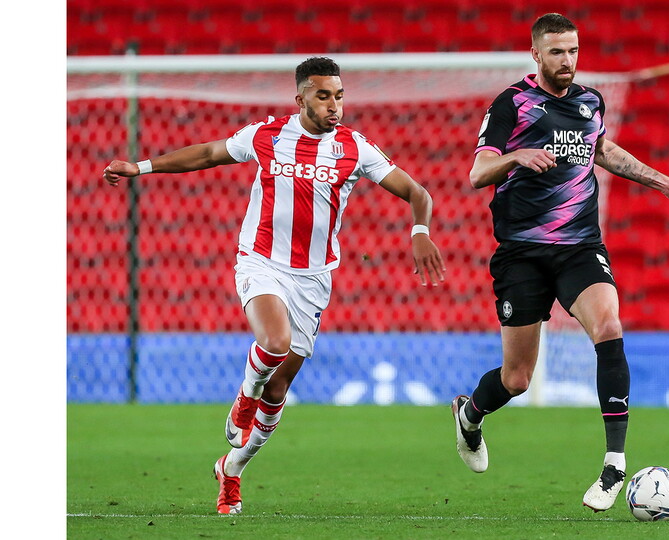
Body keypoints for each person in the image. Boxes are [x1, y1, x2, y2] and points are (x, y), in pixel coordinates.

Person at [103, 57, 446, 515]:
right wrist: (141, 167)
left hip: (314, 278)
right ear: (300, 98)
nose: (334, 106)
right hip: (261, 261)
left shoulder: (354, 147)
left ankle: (232, 469)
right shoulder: (267, 135)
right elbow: (207, 154)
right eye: (324, 96)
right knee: (275, 341)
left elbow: (417, 193)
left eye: (340, 95)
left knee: (279, 389)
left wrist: (419, 232)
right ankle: (243, 399)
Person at [451, 13, 669, 512]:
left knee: (609, 325)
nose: (567, 61)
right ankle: (470, 416)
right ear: (536, 54)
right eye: (557, 52)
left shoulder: (591, 101)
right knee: (518, 378)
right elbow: (479, 171)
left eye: (573, 51)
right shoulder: (511, 104)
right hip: (521, 252)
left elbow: (601, 150)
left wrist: (663, 182)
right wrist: (517, 156)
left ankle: (614, 465)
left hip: (580, 247)